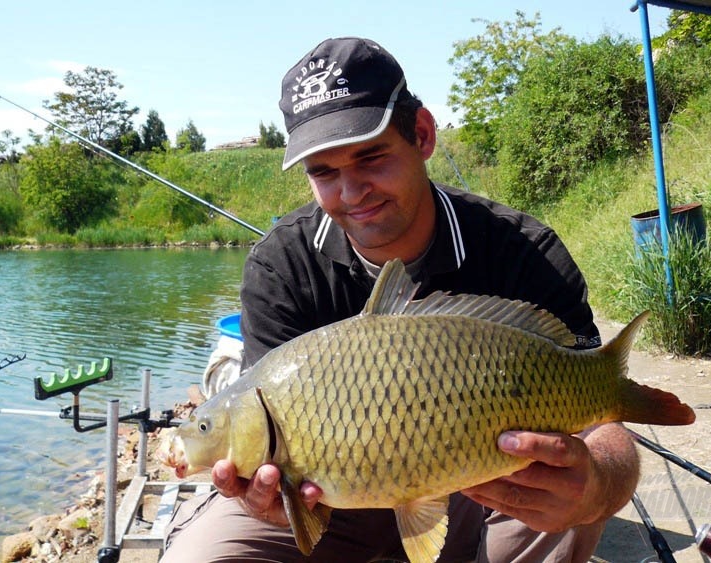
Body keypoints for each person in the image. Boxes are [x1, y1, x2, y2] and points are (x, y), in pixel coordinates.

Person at [163, 36, 640, 562]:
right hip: (331, 497)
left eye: (371, 157)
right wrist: (270, 500)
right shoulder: (280, 266)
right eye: (323, 171)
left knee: (573, 512)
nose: (350, 192)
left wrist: (595, 486)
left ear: (423, 134)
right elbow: (268, 448)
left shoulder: (525, 251)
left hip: (484, 484)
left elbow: (605, 430)